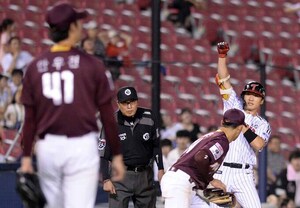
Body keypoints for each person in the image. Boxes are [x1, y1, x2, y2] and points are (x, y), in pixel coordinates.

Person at [19, 2, 125, 208]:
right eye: (78, 22)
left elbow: (30, 117)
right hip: (81, 146)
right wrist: (118, 155)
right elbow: (107, 115)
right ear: (72, 27)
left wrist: (25, 158)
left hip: (48, 147)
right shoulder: (92, 65)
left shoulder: (35, 67)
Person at [210, 42, 271, 208]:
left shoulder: (262, 124)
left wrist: (242, 124)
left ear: (262, 101)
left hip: (244, 174)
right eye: (248, 94)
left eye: (255, 95)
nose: (251, 98)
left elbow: (258, 145)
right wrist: (222, 57)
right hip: (223, 171)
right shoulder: (233, 105)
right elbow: (223, 78)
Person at [160, 108, 246, 208]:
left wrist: (207, 184)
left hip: (187, 184)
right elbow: (200, 157)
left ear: (222, 122)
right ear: (240, 128)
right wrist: (212, 180)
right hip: (179, 183)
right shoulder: (222, 141)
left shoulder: (212, 135)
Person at [101, 86, 164, 208]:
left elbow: (156, 145)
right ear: (118, 104)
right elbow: (103, 153)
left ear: (137, 102)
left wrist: (160, 169)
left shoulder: (149, 117)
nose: (129, 107)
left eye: (132, 102)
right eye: (125, 103)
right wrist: (106, 179)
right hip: (120, 175)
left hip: (145, 175)